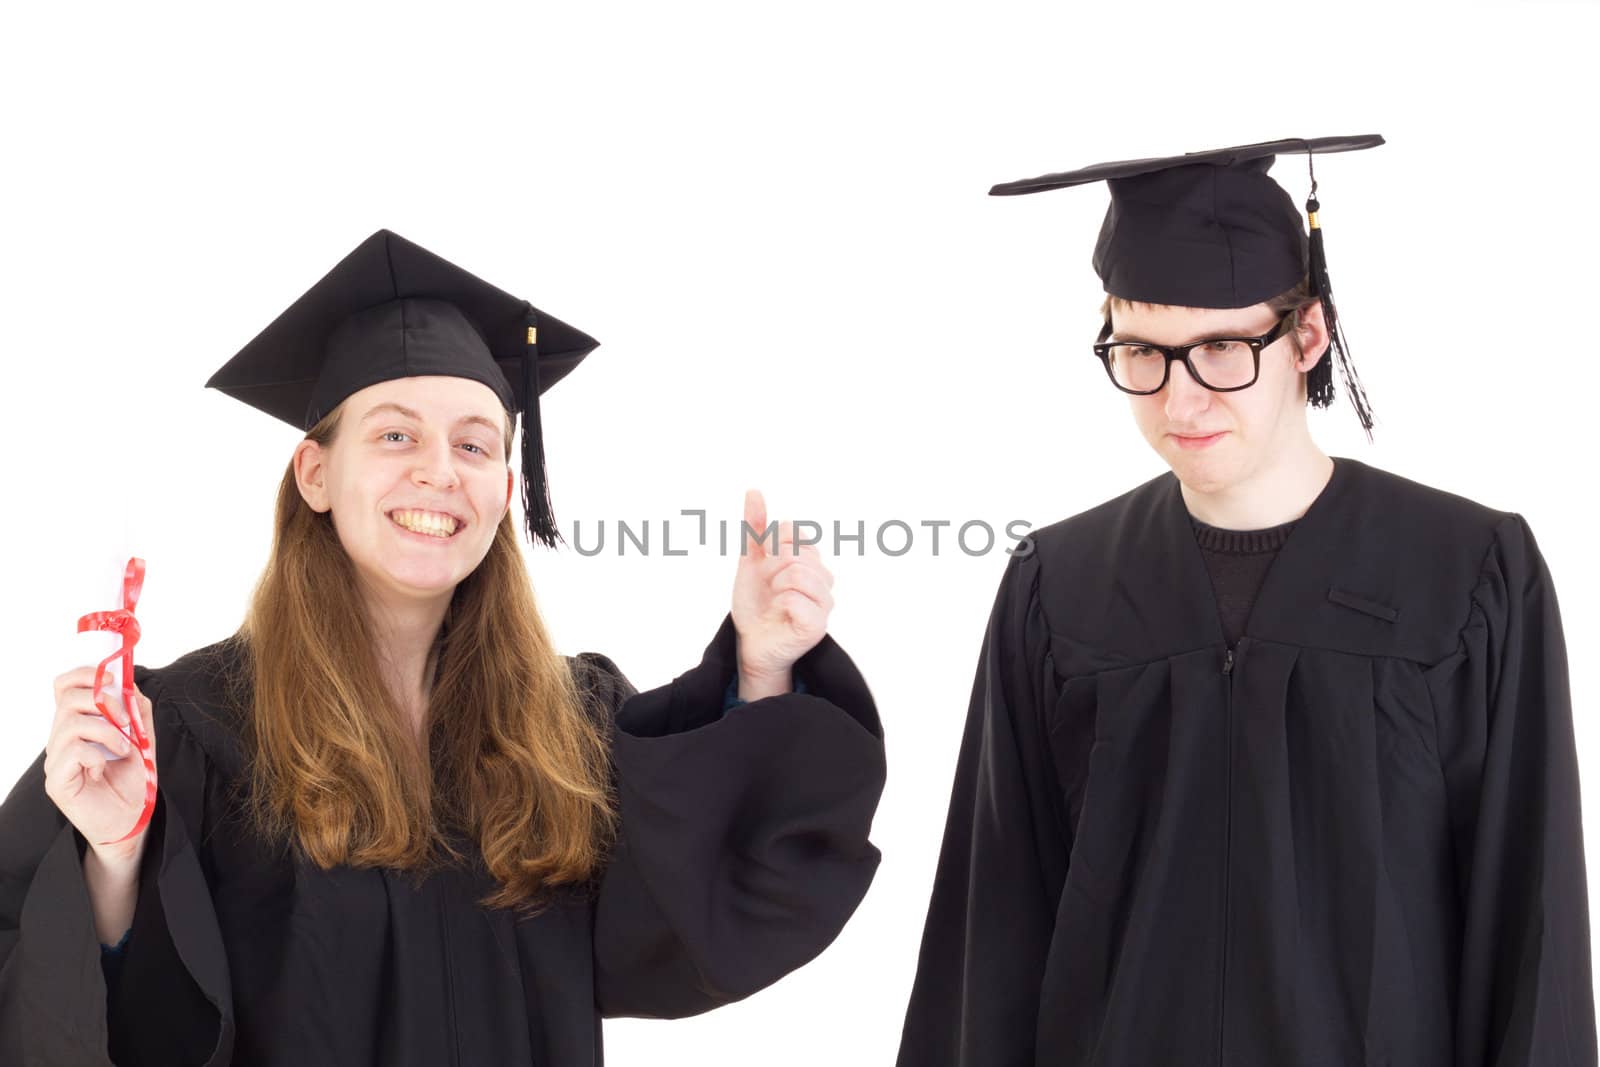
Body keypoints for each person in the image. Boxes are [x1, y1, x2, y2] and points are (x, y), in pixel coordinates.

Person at [0, 229, 886, 1066]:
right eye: (395, 435)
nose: (440, 470)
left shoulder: (570, 728)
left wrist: (763, 665)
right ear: (315, 473)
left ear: (507, 487)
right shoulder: (187, 733)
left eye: (474, 442)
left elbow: (688, 924)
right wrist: (115, 858)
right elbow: (105, 1022)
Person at [896, 136, 1597, 1065]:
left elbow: (1531, 923)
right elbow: (993, 927)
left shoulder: (1467, 571)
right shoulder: (1058, 585)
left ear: (1308, 335)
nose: (1178, 397)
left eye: (1221, 347)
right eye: (1142, 350)